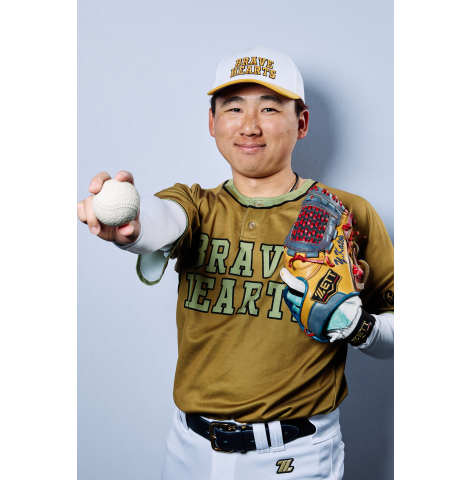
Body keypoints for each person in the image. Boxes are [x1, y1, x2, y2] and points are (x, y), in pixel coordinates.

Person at [77, 46, 394, 480]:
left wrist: (360, 327)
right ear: (212, 123)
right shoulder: (197, 206)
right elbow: (160, 219)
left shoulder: (346, 213)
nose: (249, 125)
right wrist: (129, 224)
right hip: (190, 450)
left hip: (296, 457)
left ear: (301, 123)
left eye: (269, 108)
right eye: (233, 107)